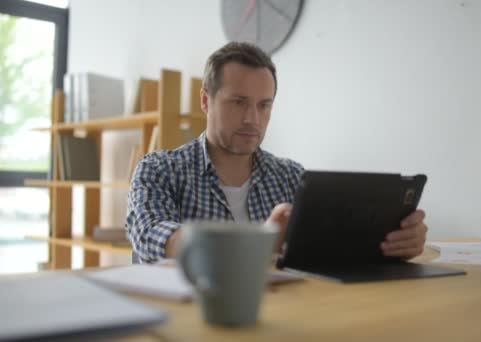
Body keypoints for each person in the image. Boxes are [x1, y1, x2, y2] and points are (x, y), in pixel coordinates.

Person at [126, 42, 428, 263]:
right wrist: (261, 241)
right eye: (238, 102)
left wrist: (394, 244)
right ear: (206, 101)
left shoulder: (292, 177)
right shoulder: (158, 169)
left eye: (263, 105)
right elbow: (151, 236)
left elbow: (329, 253)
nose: (252, 119)